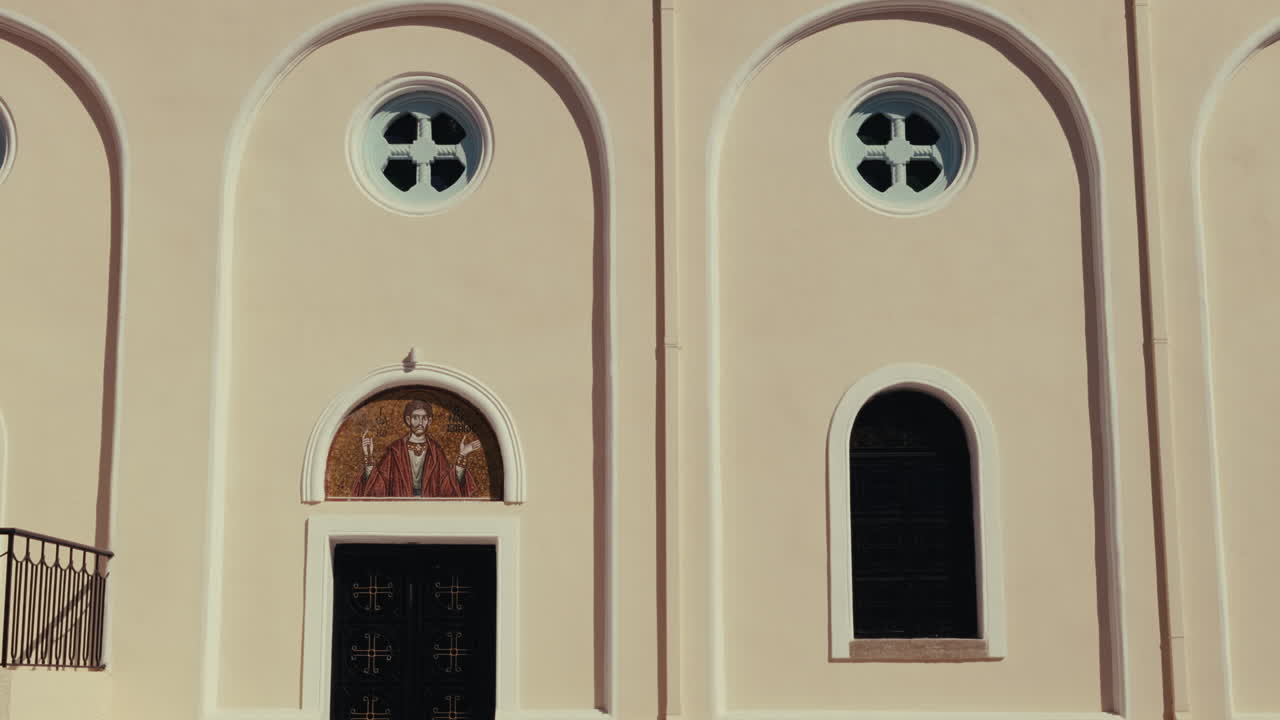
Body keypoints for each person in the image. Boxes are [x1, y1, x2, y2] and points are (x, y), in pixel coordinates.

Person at [352, 399, 481, 497]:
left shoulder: (435, 451)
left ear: (429, 421)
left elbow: (447, 485)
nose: (420, 422)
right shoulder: (395, 450)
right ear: (408, 420)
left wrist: (462, 455)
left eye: (424, 418)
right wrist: (368, 456)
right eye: (415, 418)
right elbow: (379, 485)